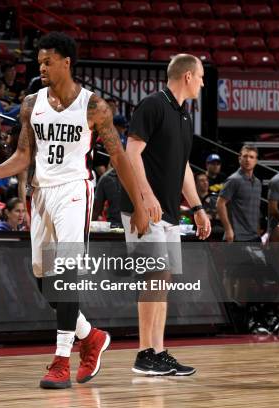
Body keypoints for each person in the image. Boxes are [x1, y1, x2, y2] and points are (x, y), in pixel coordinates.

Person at [0, 33, 149, 389]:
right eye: (39, 62)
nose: (41, 67)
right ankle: (91, 336)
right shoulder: (31, 104)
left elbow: (118, 158)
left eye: (47, 61)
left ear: (66, 62)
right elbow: (24, 156)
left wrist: (136, 202)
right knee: (43, 279)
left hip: (75, 190)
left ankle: (61, 359)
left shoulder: (94, 107)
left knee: (65, 272)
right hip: (41, 193)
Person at [121, 54, 211, 377]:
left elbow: (184, 167)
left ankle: (157, 352)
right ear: (187, 76)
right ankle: (145, 354)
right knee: (154, 277)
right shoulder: (153, 105)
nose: (202, 82)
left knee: (164, 279)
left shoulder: (184, 117)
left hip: (171, 210)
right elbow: (131, 152)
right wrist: (145, 197)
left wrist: (197, 208)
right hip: (144, 208)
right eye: (200, 77)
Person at [217, 145, 262, 242]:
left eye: (251, 157)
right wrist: (228, 230)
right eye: (245, 156)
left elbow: (255, 208)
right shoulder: (234, 180)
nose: (248, 160)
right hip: (237, 237)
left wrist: (258, 229)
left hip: (254, 236)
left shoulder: (258, 182)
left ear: (256, 161)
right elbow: (220, 204)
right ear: (239, 158)